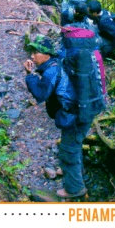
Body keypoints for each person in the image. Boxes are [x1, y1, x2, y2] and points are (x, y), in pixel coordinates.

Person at [23, 36, 90, 198]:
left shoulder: (52, 70)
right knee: (74, 145)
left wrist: (30, 75)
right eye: (32, 52)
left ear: (47, 54)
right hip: (81, 111)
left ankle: (75, 189)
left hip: (74, 116)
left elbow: (40, 95)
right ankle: (76, 173)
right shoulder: (58, 62)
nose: (32, 56)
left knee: (68, 151)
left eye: (36, 52)